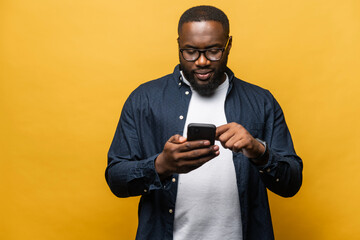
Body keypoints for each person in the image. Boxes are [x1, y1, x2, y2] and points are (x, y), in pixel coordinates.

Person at [105, 5, 303, 240]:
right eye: (189, 51)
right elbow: (116, 178)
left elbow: (291, 183)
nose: (201, 62)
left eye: (213, 51)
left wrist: (258, 150)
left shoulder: (261, 102)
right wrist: (161, 165)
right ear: (178, 44)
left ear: (229, 45)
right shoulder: (144, 99)